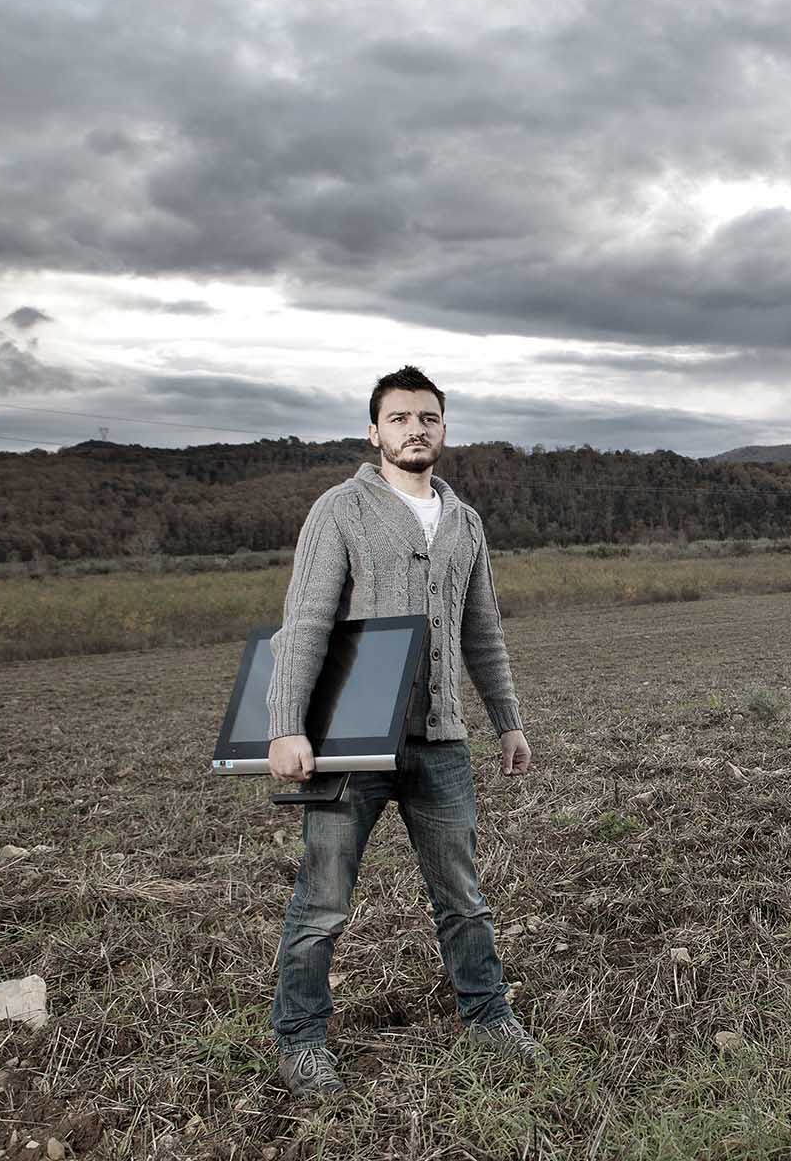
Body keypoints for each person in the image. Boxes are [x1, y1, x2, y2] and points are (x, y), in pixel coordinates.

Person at [263, 364, 539, 1099]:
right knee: (322, 903)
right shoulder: (341, 509)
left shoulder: (464, 521)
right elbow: (305, 625)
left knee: (463, 896)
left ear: (443, 428)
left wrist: (507, 721)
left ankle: (489, 1018)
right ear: (374, 431)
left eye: (428, 418)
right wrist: (286, 726)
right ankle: (300, 1041)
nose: (415, 429)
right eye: (400, 418)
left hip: (441, 743)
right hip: (349, 743)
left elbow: (483, 632)